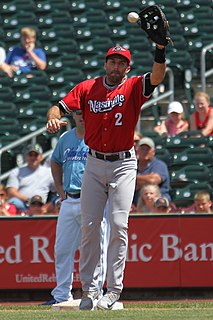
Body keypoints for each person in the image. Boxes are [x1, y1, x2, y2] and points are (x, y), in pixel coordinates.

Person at [46, 43, 166, 310]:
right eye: (112, 61)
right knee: (89, 228)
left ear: (128, 67)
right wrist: (53, 117)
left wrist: (159, 50)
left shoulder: (133, 86)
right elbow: (59, 107)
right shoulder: (88, 88)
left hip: (123, 163)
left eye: (121, 62)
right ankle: (89, 290)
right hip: (94, 161)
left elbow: (157, 77)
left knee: (119, 225)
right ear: (105, 64)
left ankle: (113, 290)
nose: (116, 66)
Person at [42, 110, 109, 306]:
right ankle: (62, 295)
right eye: (77, 113)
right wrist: (60, 189)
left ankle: (95, 293)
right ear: (72, 116)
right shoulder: (66, 138)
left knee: (97, 250)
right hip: (69, 199)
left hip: (93, 200)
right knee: (62, 249)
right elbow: (55, 161)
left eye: (84, 113)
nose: (81, 116)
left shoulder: (98, 136)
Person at [6, 143, 55, 212]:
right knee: (13, 202)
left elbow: (59, 189)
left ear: (41, 157)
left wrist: (47, 206)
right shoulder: (17, 171)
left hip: (40, 205)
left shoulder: (49, 172)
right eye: (30, 155)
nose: (33, 157)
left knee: (59, 201)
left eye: (36, 155)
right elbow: (11, 191)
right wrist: (28, 200)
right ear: (26, 157)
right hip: (22, 204)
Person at [134, 137, 171, 208]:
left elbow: (153, 180)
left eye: (148, 149)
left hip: (159, 203)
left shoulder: (159, 165)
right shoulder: (133, 165)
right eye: (142, 149)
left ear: (153, 151)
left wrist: (135, 179)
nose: (145, 151)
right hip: (138, 202)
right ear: (137, 151)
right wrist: (147, 179)